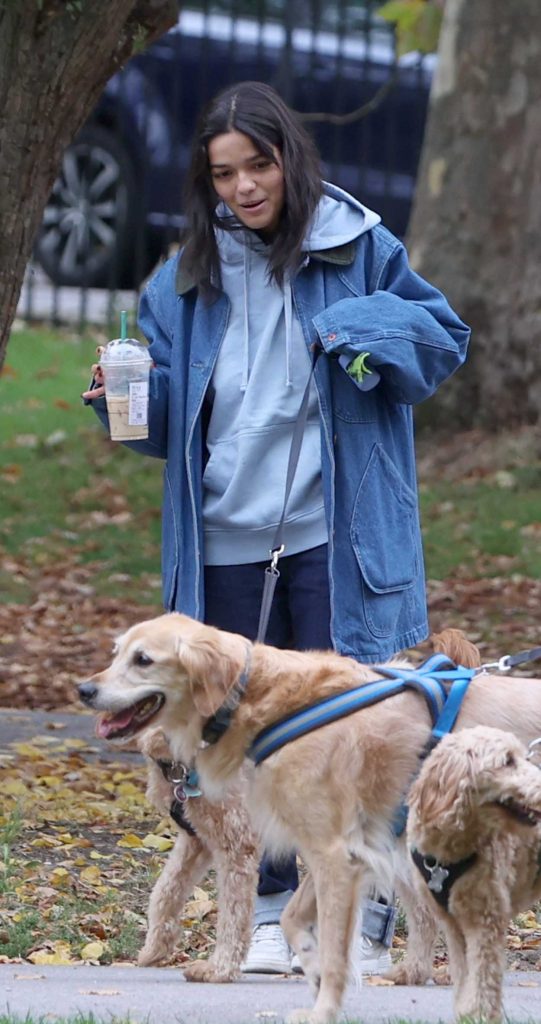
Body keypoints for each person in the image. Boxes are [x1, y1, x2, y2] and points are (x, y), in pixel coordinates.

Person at [83, 81, 470, 976]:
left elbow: (439, 340)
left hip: (334, 534)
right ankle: (269, 918)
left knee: (354, 734)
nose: (244, 187)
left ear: (289, 157)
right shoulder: (180, 278)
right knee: (238, 744)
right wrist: (124, 409)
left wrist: (353, 325)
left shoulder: (359, 246)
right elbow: (169, 425)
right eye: (223, 174)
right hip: (220, 534)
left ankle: (366, 922)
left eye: (258, 164)